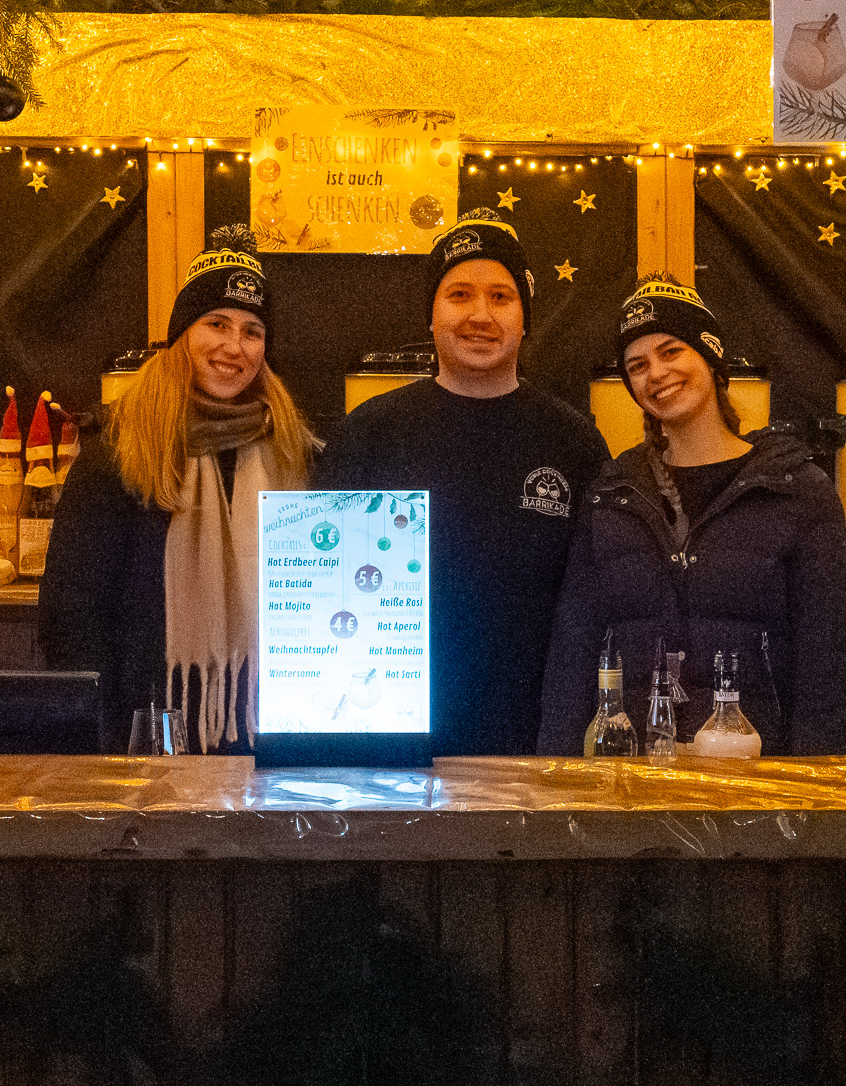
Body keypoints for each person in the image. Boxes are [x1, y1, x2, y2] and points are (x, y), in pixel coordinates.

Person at [313, 209, 609, 757]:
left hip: (534, 744)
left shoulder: (574, 442)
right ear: (431, 316)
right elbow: (323, 594)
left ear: (525, 317)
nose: (480, 315)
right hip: (388, 740)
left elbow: (594, 607)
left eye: (501, 297)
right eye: (459, 295)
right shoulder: (368, 434)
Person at [537, 276, 846, 756]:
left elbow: (829, 662)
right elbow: (573, 653)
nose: (656, 373)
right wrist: (558, 775)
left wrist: (817, 786)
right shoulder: (610, 494)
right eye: (637, 365)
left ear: (711, 356)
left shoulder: (798, 490)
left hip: (757, 777)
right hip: (635, 773)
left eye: (671, 352)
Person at [41, 228, 314, 751]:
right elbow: (71, 616)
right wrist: (103, 742)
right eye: (216, 324)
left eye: (253, 331)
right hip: (144, 734)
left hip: (272, 731)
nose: (234, 347)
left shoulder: (295, 451)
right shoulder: (118, 453)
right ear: (182, 333)